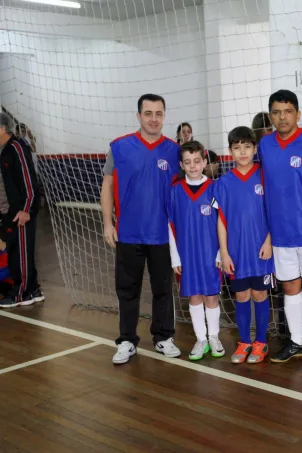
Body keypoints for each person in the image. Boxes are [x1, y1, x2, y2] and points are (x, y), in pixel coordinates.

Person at [101, 93, 182, 365]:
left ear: (164, 116)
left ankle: (163, 337)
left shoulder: (174, 150)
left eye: (159, 114)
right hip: (129, 233)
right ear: (139, 116)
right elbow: (107, 185)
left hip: (161, 234)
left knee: (163, 288)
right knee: (127, 289)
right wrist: (107, 223)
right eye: (148, 113)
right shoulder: (119, 147)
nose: (154, 119)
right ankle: (126, 340)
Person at [258, 90, 302, 371]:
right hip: (280, 232)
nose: (282, 117)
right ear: (270, 116)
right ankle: (297, 341)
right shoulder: (264, 145)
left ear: (297, 114)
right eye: (276, 112)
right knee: (290, 287)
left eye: (287, 111)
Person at [214, 126, 274, 364]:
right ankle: (244, 342)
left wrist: (270, 240)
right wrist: (225, 252)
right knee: (241, 295)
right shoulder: (224, 183)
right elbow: (221, 221)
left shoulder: (265, 176)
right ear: (230, 151)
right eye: (237, 148)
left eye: (247, 147)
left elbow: (275, 212)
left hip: (261, 250)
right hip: (236, 252)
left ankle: (261, 342)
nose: (242, 152)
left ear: (255, 149)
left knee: (259, 293)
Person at [167, 140, 225, 361]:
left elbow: (223, 222)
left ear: (204, 162)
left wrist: (221, 252)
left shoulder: (215, 188)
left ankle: (214, 336)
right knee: (194, 297)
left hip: (211, 254)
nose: (193, 166)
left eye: (197, 161)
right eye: (188, 162)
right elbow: (170, 226)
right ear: (181, 165)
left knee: (211, 296)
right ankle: (201, 338)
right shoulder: (174, 192)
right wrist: (174, 256)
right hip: (187, 255)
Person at [0, 113, 42, 308]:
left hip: (21, 212)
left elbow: (30, 182)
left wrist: (26, 210)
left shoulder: (17, 147)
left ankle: (21, 294)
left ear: (2, 128)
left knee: (22, 254)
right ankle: (32, 289)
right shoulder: (3, 150)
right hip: (8, 212)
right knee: (15, 252)